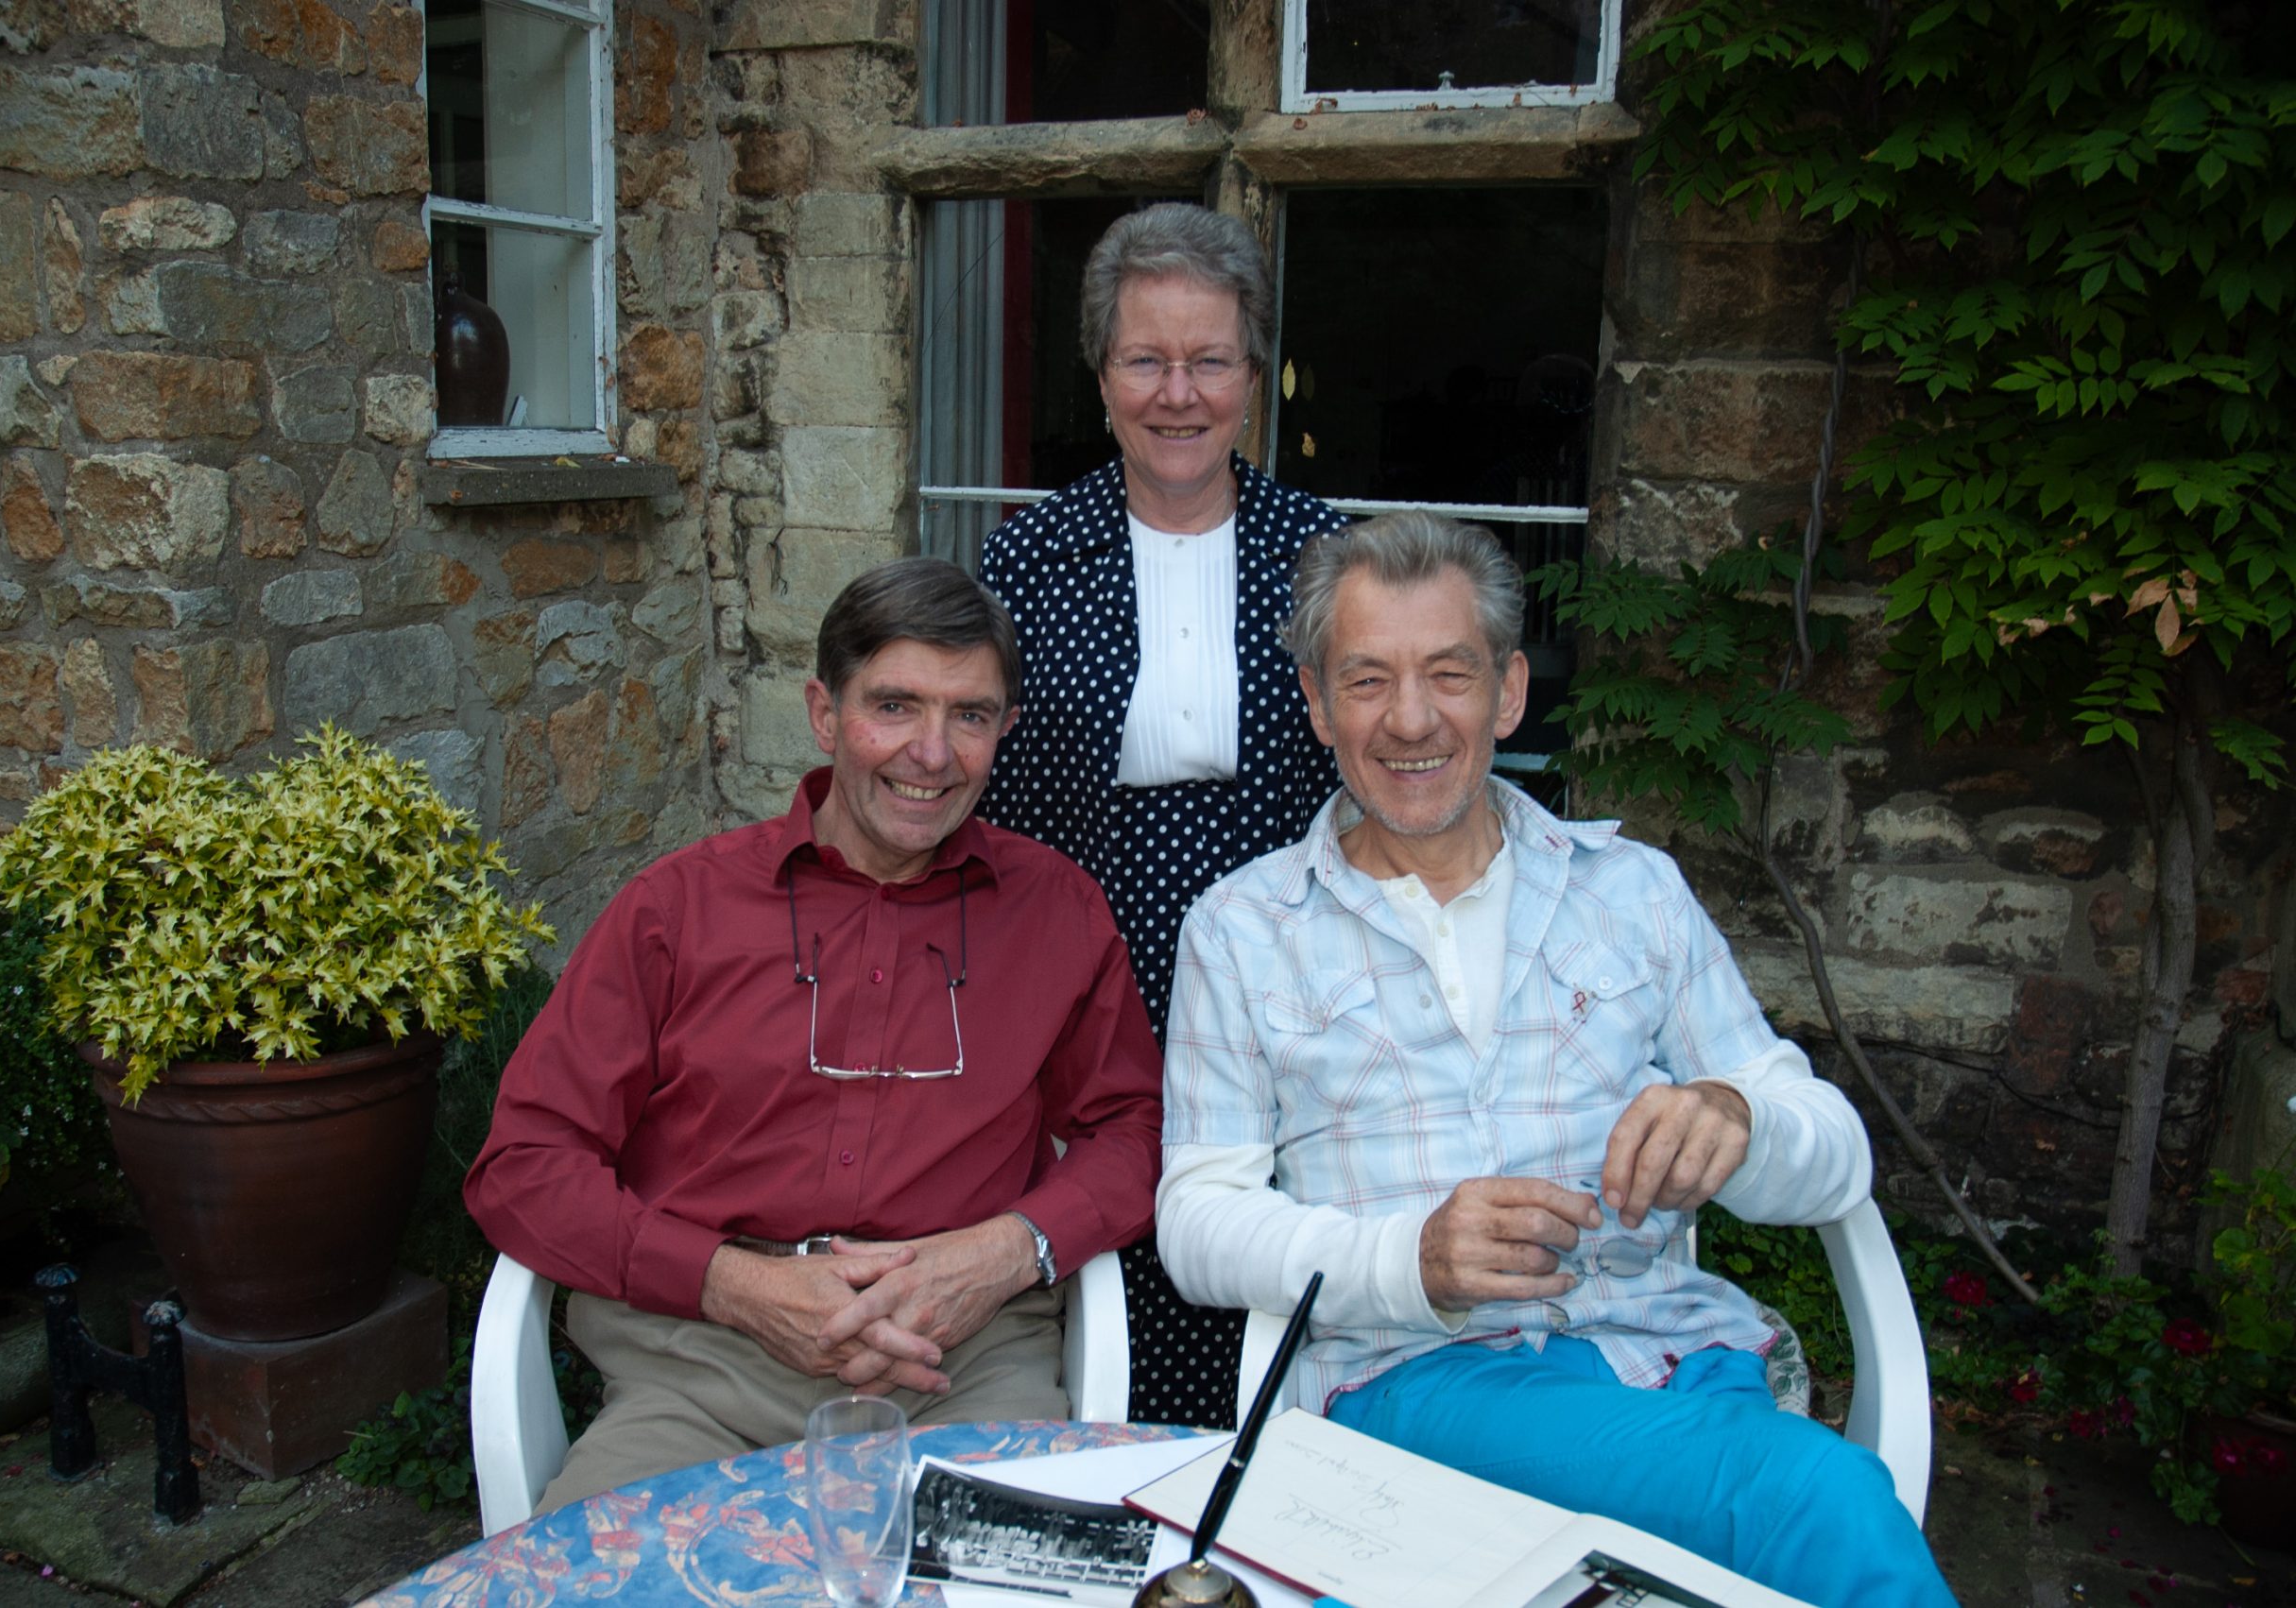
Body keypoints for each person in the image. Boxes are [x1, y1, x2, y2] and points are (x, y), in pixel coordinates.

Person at [1157, 512, 1959, 1606]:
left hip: (1671, 1363)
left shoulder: (1633, 892)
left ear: (1509, 690)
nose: (1409, 719)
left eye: (1449, 673)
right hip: (1416, 1380)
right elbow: (1198, 1222)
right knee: (1813, 1499)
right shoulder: (1243, 928)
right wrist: (1412, 1259)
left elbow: (1832, 1157)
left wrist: (1737, 1115)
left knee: (1733, 1520)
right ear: (1313, 700)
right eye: (1365, 680)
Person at [467, 557, 1163, 1513]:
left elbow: (1133, 1134)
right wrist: (736, 1286)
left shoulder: (1058, 911)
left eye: (968, 715)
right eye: (894, 706)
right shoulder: (678, 908)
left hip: (957, 1360)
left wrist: (1000, 1253)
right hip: (702, 1366)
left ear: (1004, 729)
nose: (931, 752)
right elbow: (525, 1164)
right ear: (825, 714)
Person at [980, 201, 1348, 1428]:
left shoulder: (1326, 559)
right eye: (1146, 358)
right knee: (1112, 1230)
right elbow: (1000, 806)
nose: (1177, 392)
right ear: (1101, 377)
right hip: (1090, 969)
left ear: (1255, 374)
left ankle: (1268, 1479)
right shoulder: (1029, 561)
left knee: (1262, 1227)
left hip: (1291, 982)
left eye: (1210, 359)